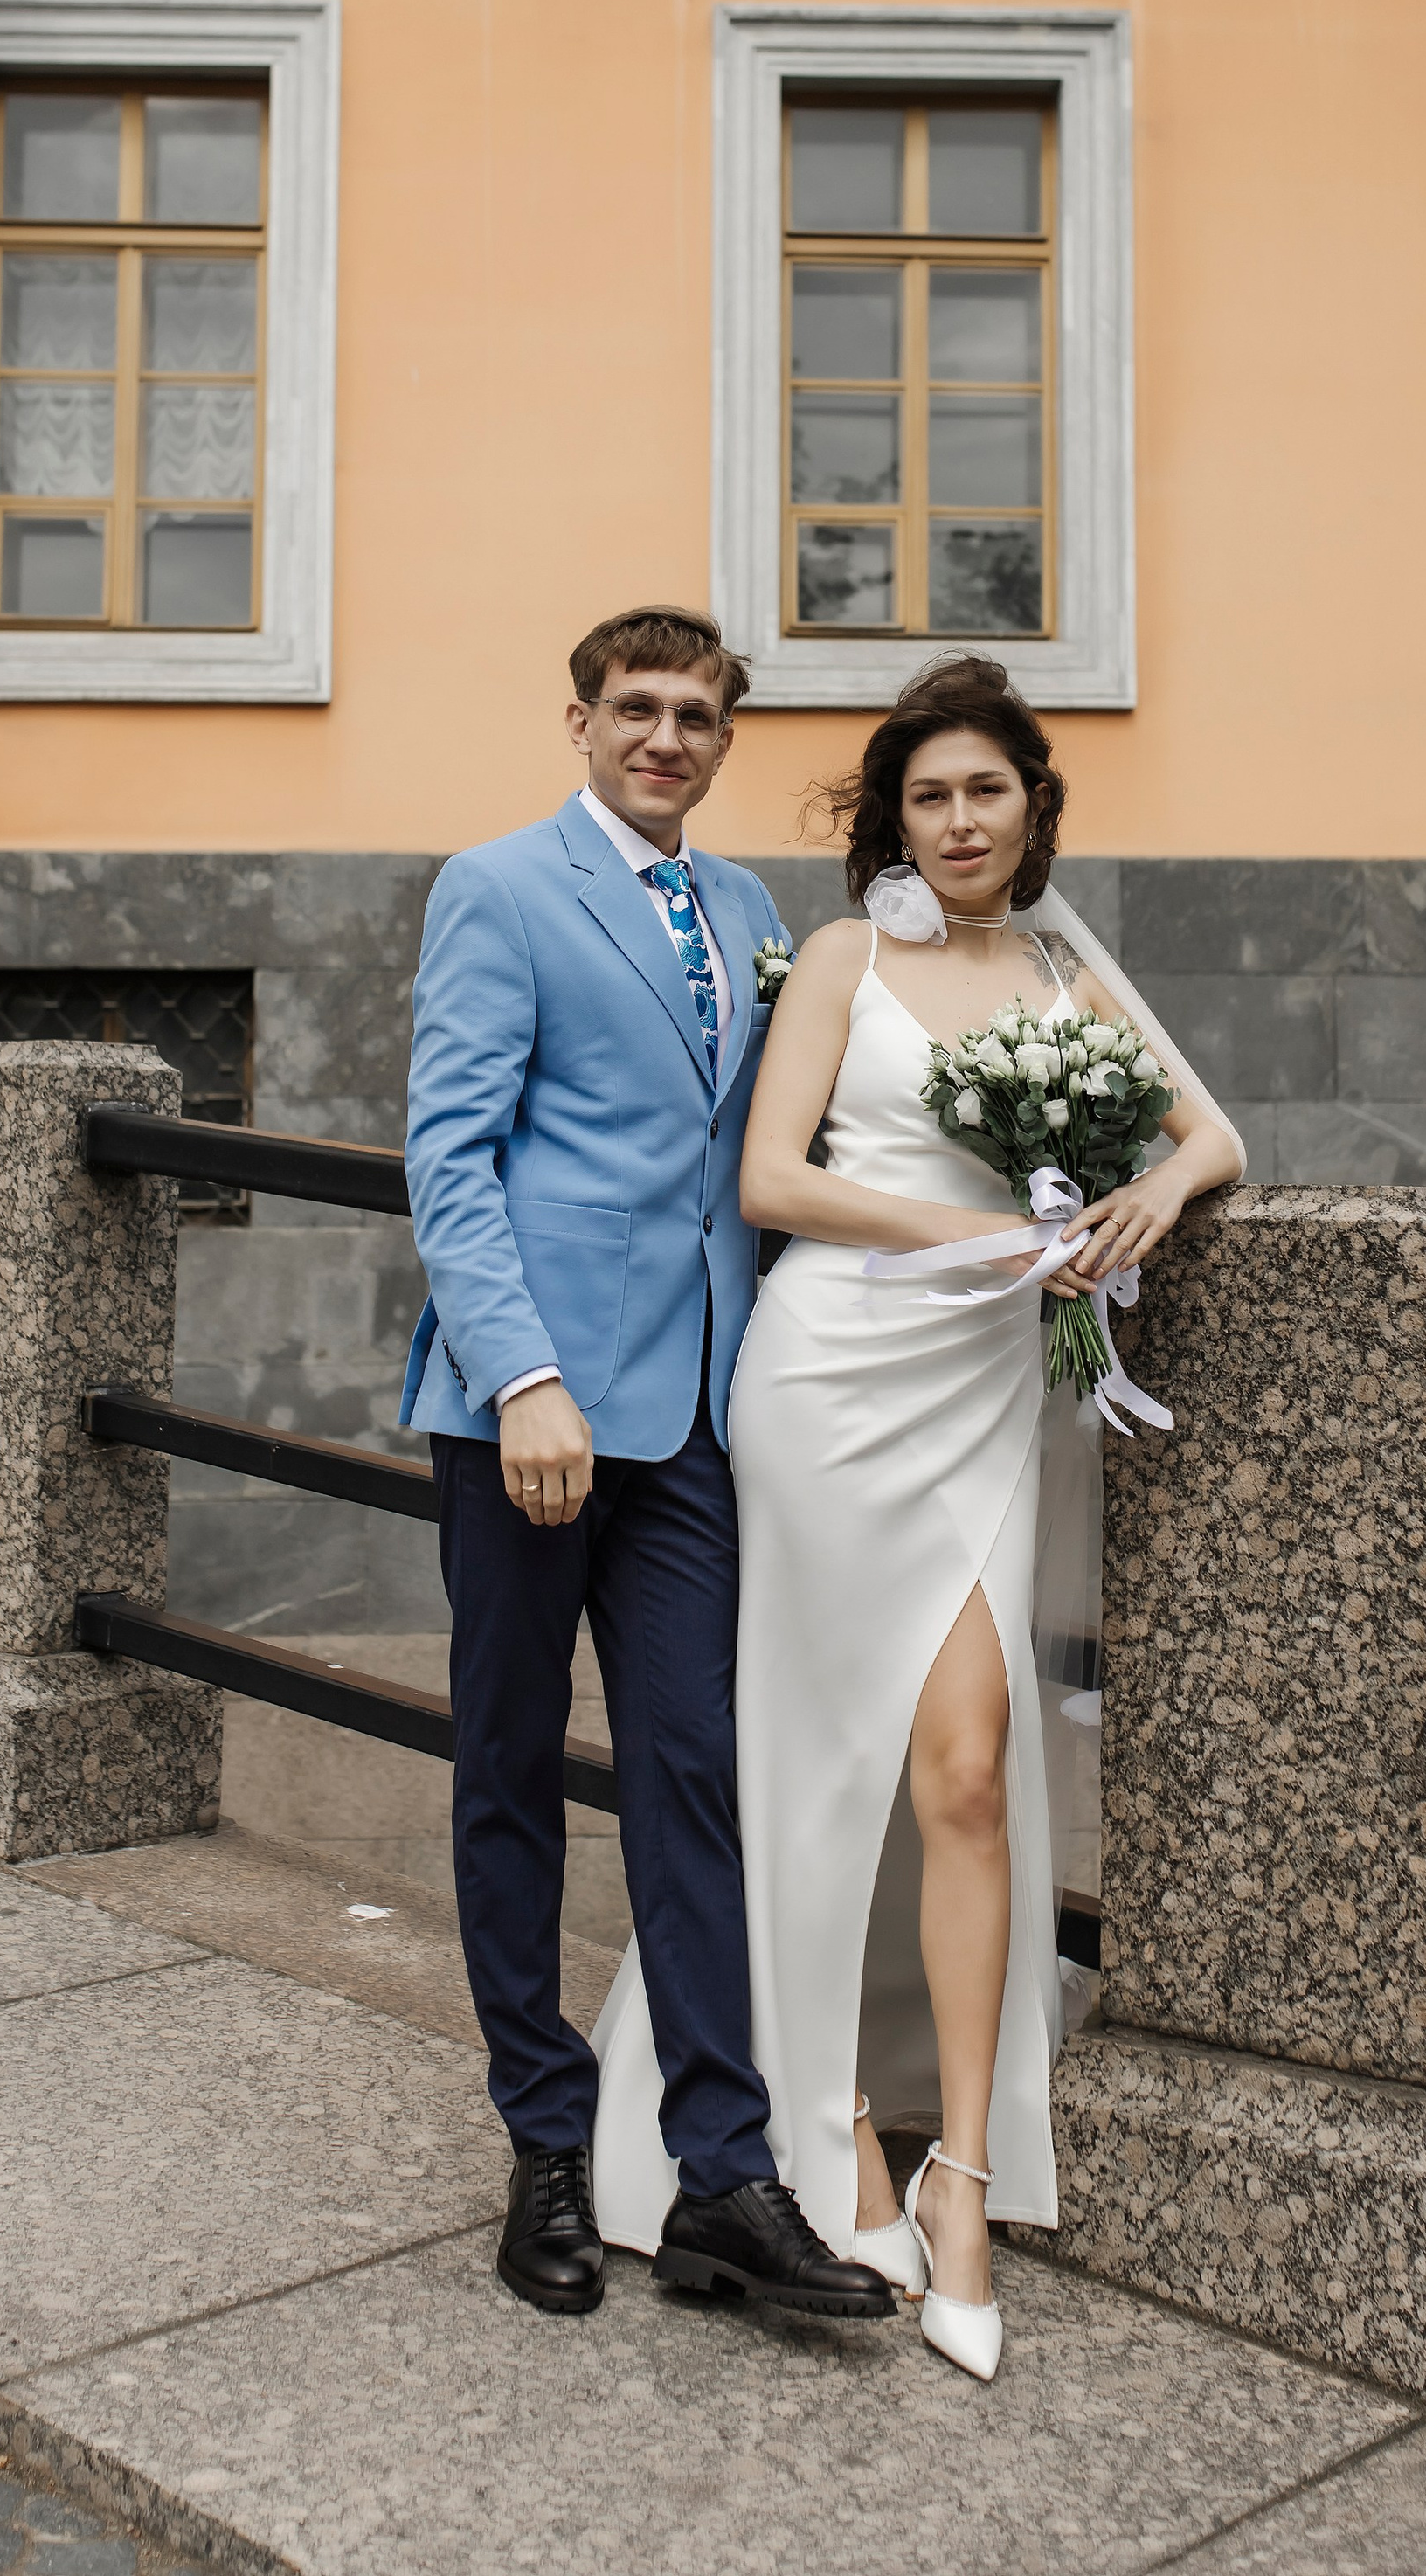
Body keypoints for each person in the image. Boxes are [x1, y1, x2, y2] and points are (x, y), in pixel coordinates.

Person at [593, 654, 1244, 2379]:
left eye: (986, 791)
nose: (957, 821)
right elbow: (772, 1180)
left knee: (966, 1767)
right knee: (820, 1770)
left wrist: (1135, 1201)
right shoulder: (839, 963)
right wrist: (966, 1238)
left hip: (978, 1409)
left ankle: (961, 2169)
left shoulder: (1058, 973)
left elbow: (1213, 1137)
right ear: (893, 819)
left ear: (1033, 807)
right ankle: (826, 2138)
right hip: (825, 1389)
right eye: (928, 796)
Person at [400, 604, 894, 2327]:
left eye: (694, 714)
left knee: (692, 1770)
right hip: (528, 1417)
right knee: (511, 1771)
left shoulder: (752, 912)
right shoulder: (499, 888)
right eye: (636, 707)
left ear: (721, 740)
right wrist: (522, 1375)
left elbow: (772, 1146)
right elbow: (448, 1153)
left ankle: (721, 2179)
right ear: (581, 719)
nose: (663, 736)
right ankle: (541, 2138)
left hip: (693, 1417)